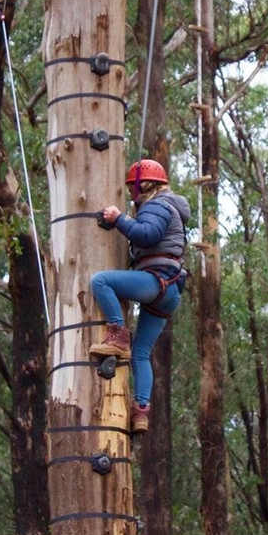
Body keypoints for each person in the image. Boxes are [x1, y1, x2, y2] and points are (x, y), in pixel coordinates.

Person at [90, 159, 191, 433]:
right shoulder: (170, 207)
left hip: (156, 281)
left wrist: (118, 219)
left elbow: (147, 234)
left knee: (101, 281)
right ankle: (141, 412)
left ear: (141, 186)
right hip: (169, 291)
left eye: (131, 189)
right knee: (141, 353)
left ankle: (117, 334)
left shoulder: (157, 205)